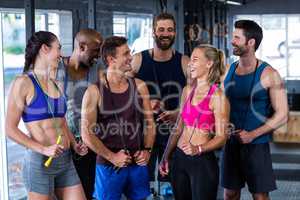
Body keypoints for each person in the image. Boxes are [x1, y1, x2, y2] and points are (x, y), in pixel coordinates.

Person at [5, 31, 88, 200]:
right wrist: (43, 149)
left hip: (65, 160)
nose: (61, 54)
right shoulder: (23, 83)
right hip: (40, 163)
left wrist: (74, 144)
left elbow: (61, 121)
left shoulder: (56, 83)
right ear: (44, 49)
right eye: (58, 48)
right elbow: (9, 129)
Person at [81, 36, 155, 200]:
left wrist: (147, 150)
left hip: (138, 163)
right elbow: (86, 134)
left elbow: (150, 123)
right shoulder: (94, 92)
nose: (131, 57)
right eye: (126, 53)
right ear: (111, 59)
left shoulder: (140, 85)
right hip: (109, 167)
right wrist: (112, 157)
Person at [221, 20, 289, 200]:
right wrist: (222, 124)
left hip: (257, 145)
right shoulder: (228, 69)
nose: (232, 41)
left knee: (259, 196)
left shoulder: (270, 74)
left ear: (250, 42)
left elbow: (282, 115)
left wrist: (253, 134)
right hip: (231, 142)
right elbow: (220, 103)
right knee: (230, 194)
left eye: (236, 37)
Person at [159, 44, 229, 200]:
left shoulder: (218, 97)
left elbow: (222, 137)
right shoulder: (187, 90)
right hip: (179, 159)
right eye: (190, 60)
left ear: (209, 63)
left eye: (195, 60)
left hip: (201, 162)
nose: (190, 64)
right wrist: (166, 156)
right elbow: (178, 127)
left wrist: (197, 149)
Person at [131, 12, 190, 185]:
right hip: (142, 132)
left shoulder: (185, 62)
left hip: (173, 133)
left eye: (170, 30)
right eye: (161, 29)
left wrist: (178, 113)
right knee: (140, 185)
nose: (165, 33)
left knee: (171, 185)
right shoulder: (138, 60)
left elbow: (197, 99)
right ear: (153, 31)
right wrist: (145, 103)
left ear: (175, 33)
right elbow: (121, 92)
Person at [55, 28, 103, 199]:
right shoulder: (58, 68)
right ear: (82, 47)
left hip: (87, 144)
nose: (99, 55)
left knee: (87, 191)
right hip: (64, 143)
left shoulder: (97, 68)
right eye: (95, 51)